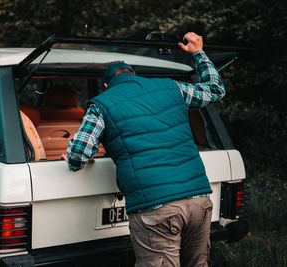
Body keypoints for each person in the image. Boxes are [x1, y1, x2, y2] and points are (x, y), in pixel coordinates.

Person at [65, 32, 225, 267]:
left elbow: (77, 155)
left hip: (156, 207)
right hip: (199, 200)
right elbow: (215, 89)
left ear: (107, 85)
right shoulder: (172, 88)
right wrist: (198, 53)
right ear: (134, 76)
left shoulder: (102, 104)